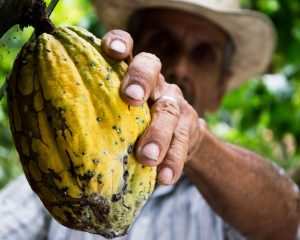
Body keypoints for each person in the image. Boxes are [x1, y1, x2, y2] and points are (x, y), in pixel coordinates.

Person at [1, 0, 299, 239]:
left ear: (221, 88)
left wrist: (196, 143)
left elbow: (287, 222)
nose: (180, 67)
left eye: (203, 54)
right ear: (128, 49)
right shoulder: (52, 172)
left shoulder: (228, 202)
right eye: (163, 41)